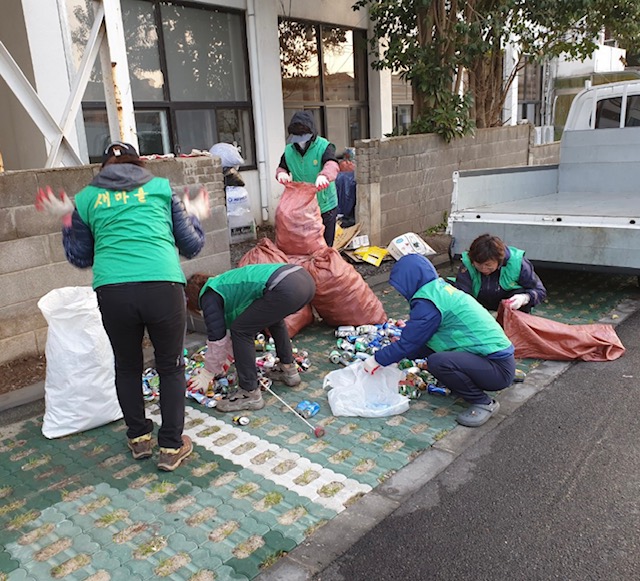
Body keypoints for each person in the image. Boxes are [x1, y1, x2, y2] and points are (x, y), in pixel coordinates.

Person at [35, 141, 208, 471]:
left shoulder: (86, 198)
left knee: (127, 365)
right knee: (170, 366)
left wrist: (68, 220)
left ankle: (139, 438)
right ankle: (171, 447)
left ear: (103, 169)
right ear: (140, 165)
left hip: (113, 291)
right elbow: (191, 246)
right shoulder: (160, 188)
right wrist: (195, 214)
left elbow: (81, 257)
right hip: (162, 285)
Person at [363, 254, 516, 427]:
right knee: (431, 355)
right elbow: (422, 343)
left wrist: (376, 360)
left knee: (438, 362)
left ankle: (484, 403)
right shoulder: (438, 290)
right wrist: (395, 357)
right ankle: (463, 382)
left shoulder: (428, 304)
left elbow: (409, 343)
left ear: (410, 281)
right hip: (496, 360)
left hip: (497, 369)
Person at [185, 264, 316, 412]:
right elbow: (230, 335)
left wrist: (207, 373)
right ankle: (288, 370)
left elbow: (218, 340)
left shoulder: (209, 296)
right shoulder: (223, 284)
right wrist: (226, 359)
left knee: (241, 331)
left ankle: (249, 393)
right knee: (272, 319)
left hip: (284, 286)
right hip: (303, 280)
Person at [275, 111, 340, 247]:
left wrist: (324, 176)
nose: (300, 140)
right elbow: (282, 167)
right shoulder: (289, 151)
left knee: (325, 245)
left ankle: (324, 265)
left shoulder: (323, 146)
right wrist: (281, 174)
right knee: (306, 242)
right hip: (303, 207)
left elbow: (332, 163)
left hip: (325, 204)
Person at [454, 234, 547, 312]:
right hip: (479, 303)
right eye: (478, 264)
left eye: (488, 265)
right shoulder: (468, 265)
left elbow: (540, 291)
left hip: (508, 304)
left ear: (499, 260)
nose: (483, 269)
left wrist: (524, 298)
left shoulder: (517, 262)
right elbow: (462, 295)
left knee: (520, 296)